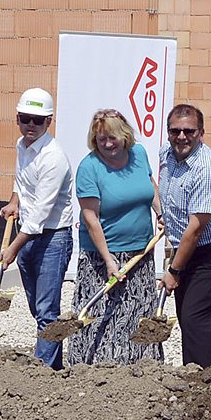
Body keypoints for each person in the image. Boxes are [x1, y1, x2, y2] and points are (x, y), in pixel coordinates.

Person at [67, 108, 162, 365]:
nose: (107, 144)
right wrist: (108, 260)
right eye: (101, 139)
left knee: (137, 312)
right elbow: (90, 218)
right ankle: (95, 370)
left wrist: (162, 214)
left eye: (112, 138)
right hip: (102, 257)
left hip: (140, 253)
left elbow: (150, 188)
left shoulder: (139, 155)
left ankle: (140, 368)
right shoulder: (89, 168)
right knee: (102, 316)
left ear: (125, 136)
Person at [158, 104, 211, 368]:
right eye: (175, 131)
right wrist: (165, 214)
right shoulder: (168, 154)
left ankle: (198, 383)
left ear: (201, 133)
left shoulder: (206, 169)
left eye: (189, 131)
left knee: (195, 317)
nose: (181, 136)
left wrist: (173, 270)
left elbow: (195, 230)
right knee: (193, 317)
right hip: (190, 246)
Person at [0, 88, 74, 369]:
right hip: (28, 233)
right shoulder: (22, 145)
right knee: (37, 308)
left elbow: (41, 213)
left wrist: (11, 249)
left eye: (38, 120)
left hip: (53, 236)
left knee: (46, 311)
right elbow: (21, 181)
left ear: (49, 122)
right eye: (26, 118)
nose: (31, 125)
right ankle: (53, 365)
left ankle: (42, 372)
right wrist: (14, 202)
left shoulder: (53, 158)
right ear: (17, 118)